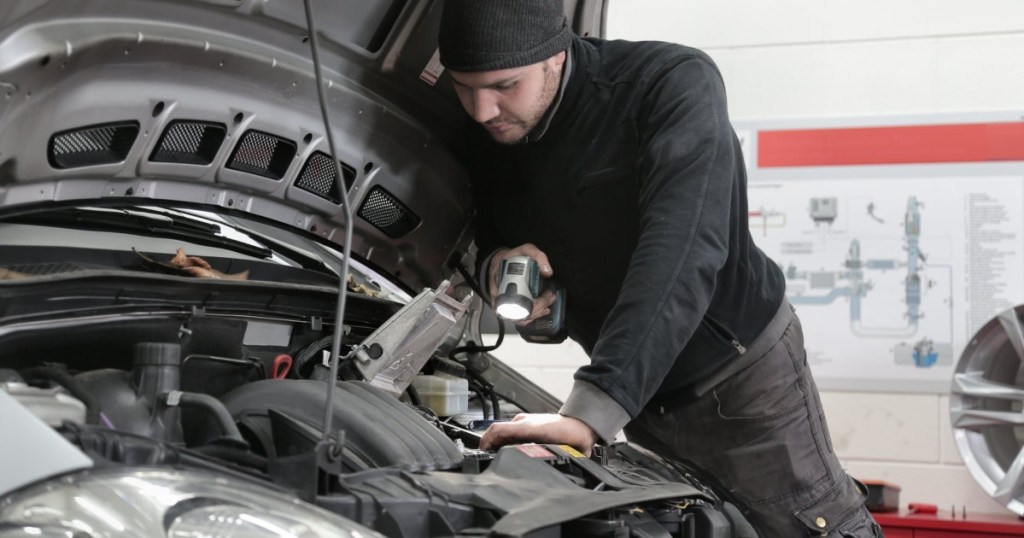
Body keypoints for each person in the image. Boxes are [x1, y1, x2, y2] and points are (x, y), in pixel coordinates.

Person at [437, 1, 882, 536]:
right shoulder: (487, 129)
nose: (483, 111)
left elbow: (682, 253)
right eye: (465, 88)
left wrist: (591, 409)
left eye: (504, 86)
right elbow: (488, 232)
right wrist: (495, 269)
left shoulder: (668, 85)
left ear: (555, 54)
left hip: (741, 382)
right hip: (639, 395)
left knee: (811, 527)